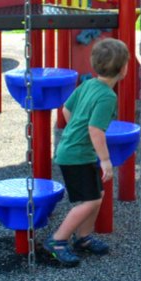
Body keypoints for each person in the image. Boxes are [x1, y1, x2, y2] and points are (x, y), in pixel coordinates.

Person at [45, 37, 130, 266]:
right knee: (90, 201)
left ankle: (82, 238)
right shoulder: (107, 96)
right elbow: (95, 129)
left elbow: (66, 110)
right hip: (76, 156)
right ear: (123, 69)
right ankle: (57, 240)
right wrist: (105, 160)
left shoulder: (88, 84)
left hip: (72, 150)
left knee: (96, 195)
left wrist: (76, 130)